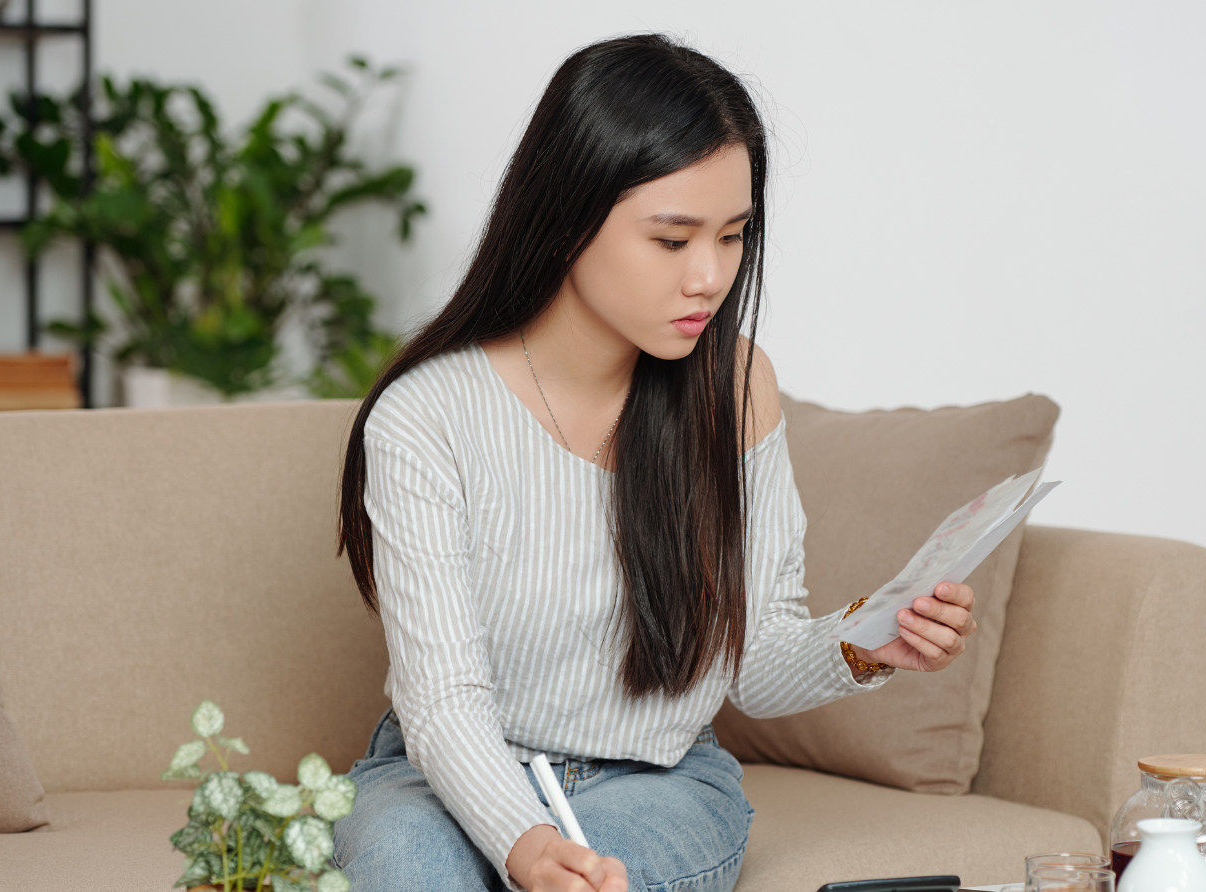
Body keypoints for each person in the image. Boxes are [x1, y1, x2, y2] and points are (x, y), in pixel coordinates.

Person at [331, 33, 979, 892]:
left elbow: (755, 663)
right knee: (409, 867)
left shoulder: (734, 388)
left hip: (656, 782)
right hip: (437, 775)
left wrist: (872, 643)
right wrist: (526, 846)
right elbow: (443, 702)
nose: (709, 276)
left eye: (733, 236)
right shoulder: (429, 414)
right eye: (673, 241)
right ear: (566, 218)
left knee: (608, 876)